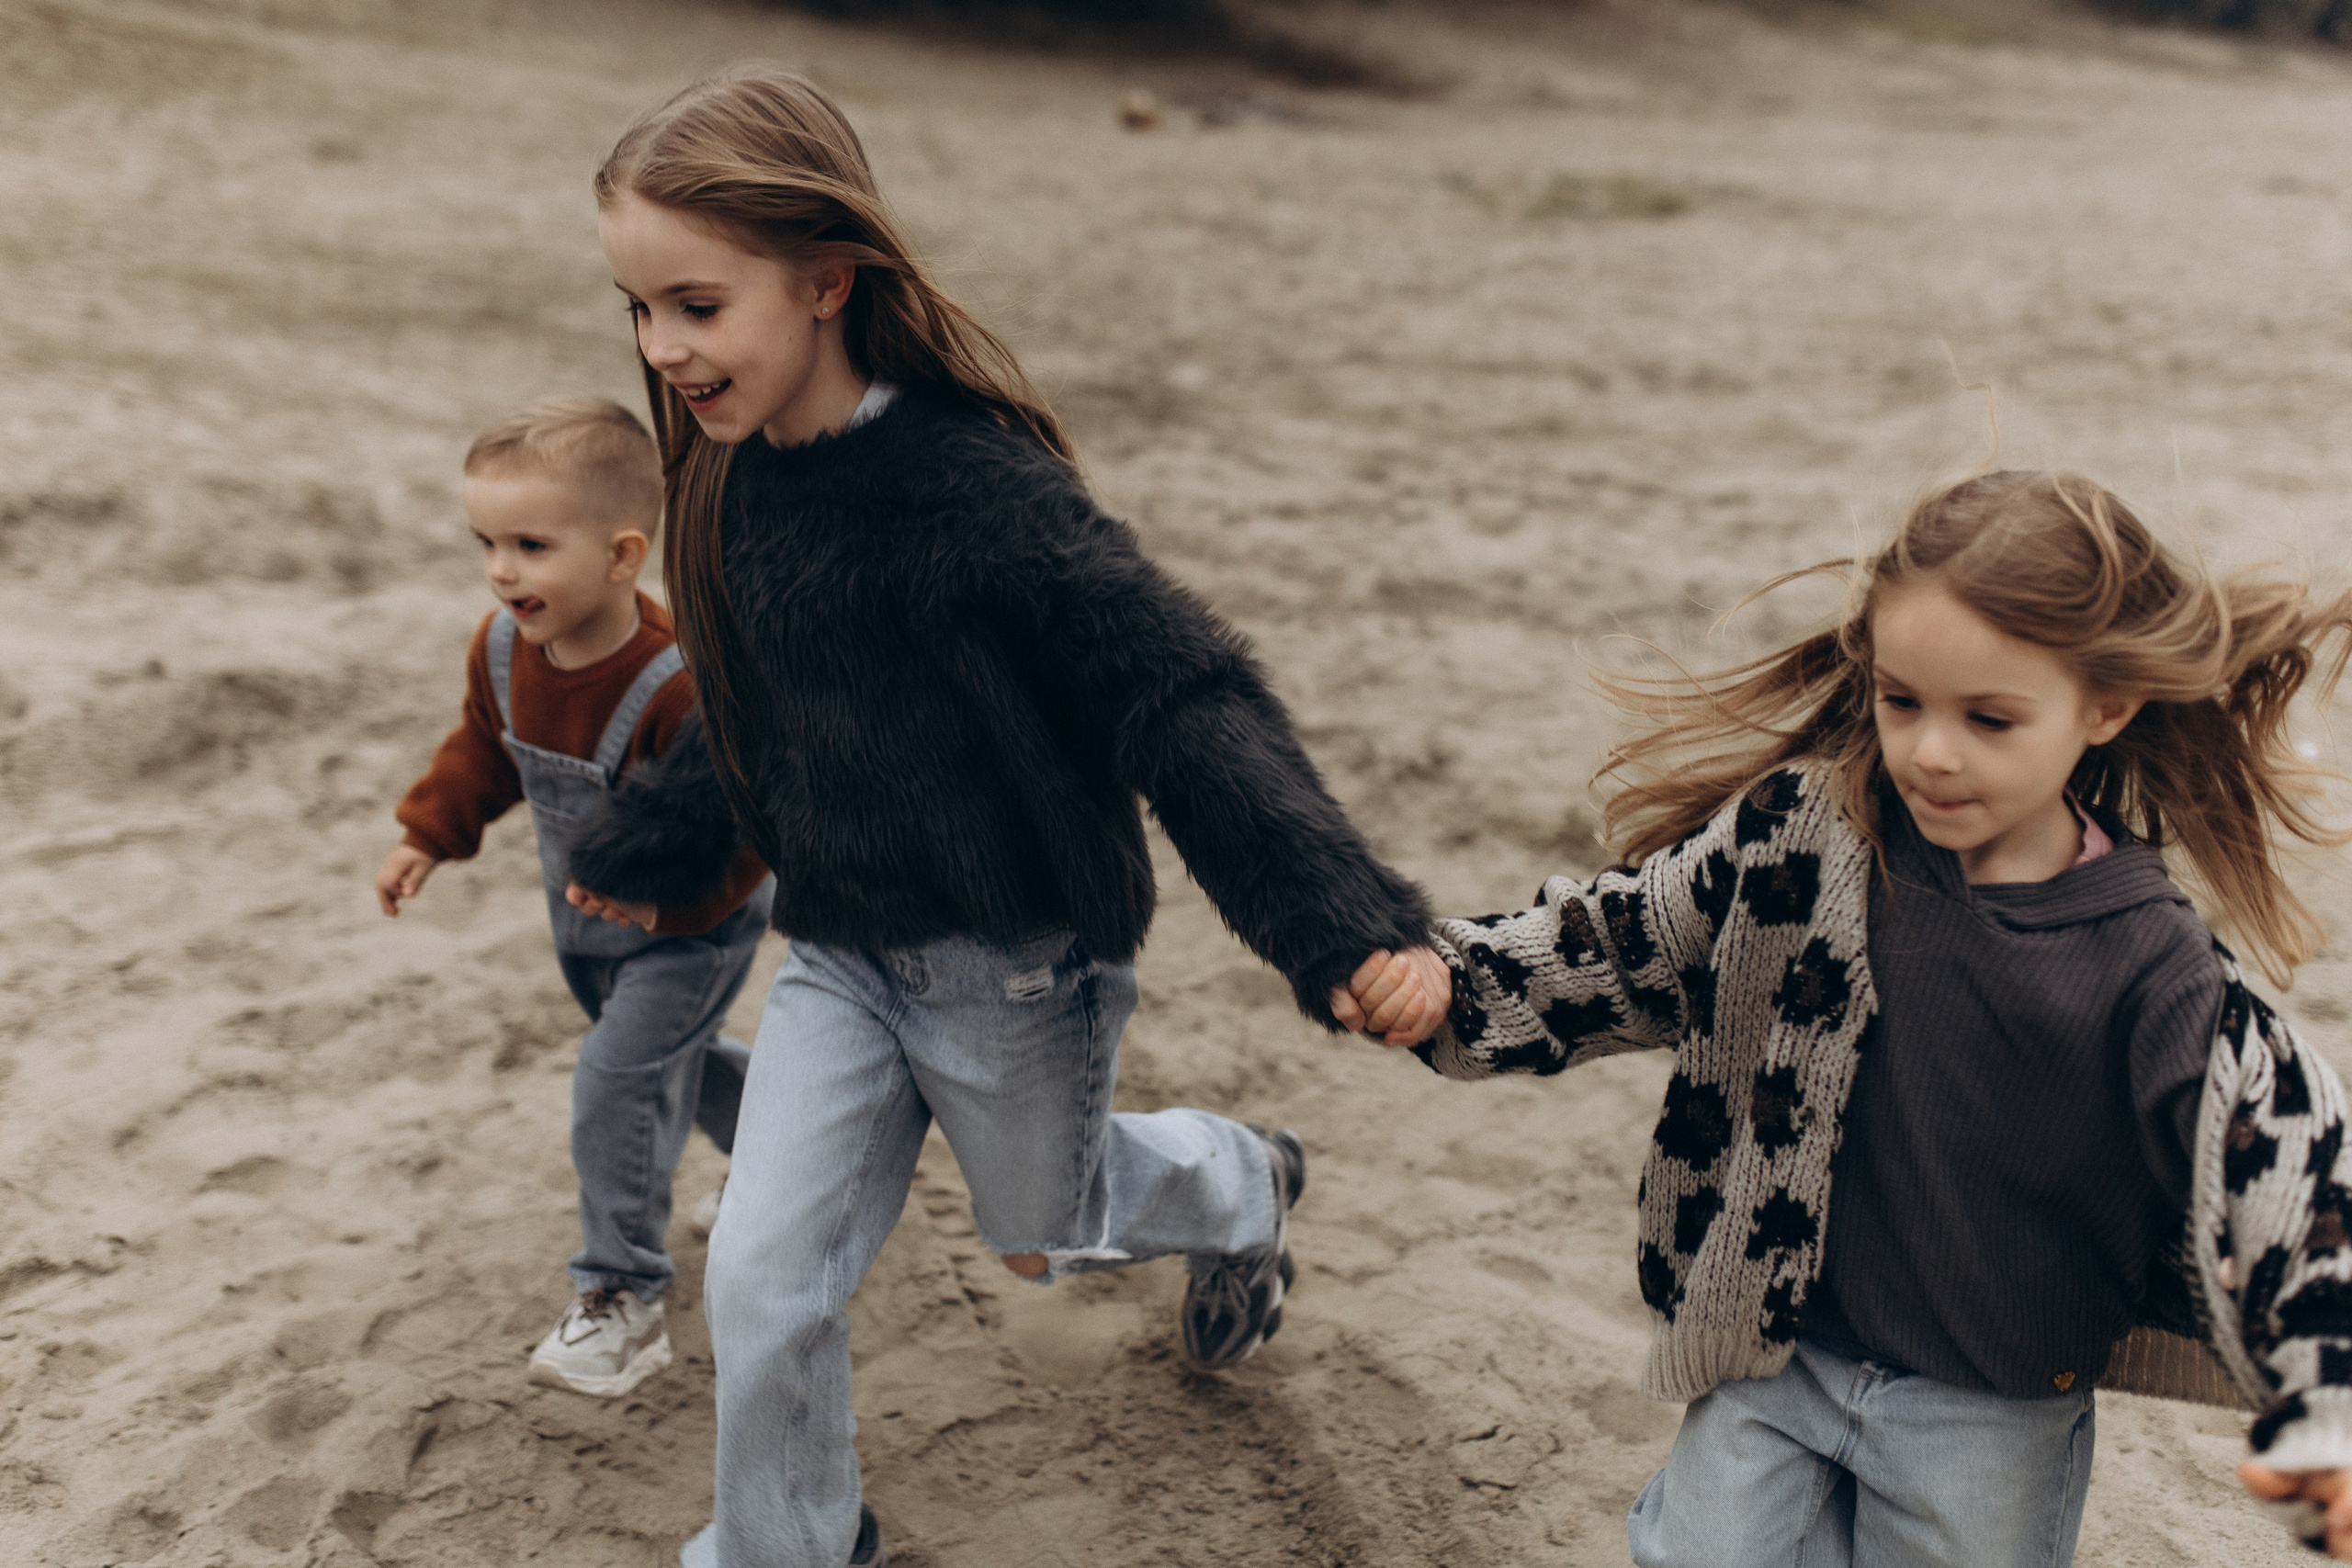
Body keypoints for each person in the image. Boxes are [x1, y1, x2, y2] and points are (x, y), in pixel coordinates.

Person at [563, 67, 1438, 1568]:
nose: (662, 348)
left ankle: (1241, 1177)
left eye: (697, 305)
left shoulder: (977, 492)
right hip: (840, 958)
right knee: (761, 1275)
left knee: (1049, 1230)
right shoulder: (736, 480)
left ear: (827, 277)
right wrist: (659, 847)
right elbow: (764, 707)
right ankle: (789, 1544)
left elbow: (1179, 695)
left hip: (1017, 969)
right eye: (640, 308)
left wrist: (1341, 921)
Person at [1340, 469, 2352, 1564]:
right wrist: (1453, 982)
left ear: (2102, 708)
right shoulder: (1804, 838)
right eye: (1900, 700)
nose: (1930, 751)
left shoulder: (2148, 959)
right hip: (1775, 1350)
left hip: (1989, 1409)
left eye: (1988, 718)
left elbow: (2286, 1175)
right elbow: (1627, 943)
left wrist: (2325, 1400)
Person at [375, 397, 773, 1399]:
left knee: (616, 1077)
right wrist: (428, 834)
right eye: (486, 543)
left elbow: (747, 834)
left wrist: (670, 914)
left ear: (622, 555)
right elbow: (485, 749)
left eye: (531, 546)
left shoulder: (681, 686)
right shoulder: (503, 651)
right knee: (668, 1061)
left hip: (694, 928)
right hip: (586, 926)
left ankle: (622, 1295)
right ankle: (787, 1157)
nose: (501, 571)